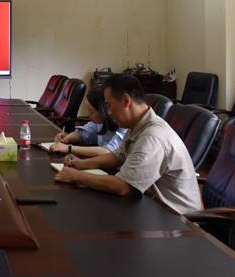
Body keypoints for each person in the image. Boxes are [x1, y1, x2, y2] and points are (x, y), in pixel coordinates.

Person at [54, 75, 202, 215]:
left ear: (126, 100)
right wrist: (81, 164)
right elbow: (117, 157)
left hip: (177, 220)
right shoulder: (137, 125)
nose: (108, 112)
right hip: (152, 205)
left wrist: (76, 176)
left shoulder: (152, 137)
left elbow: (123, 186)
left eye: (109, 105)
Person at [49, 87, 127, 158]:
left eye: (91, 111)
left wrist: (69, 148)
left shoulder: (124, 126)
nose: (88, 114)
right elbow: (84, 133)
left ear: (103, 111)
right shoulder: (99, 122)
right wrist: (67, 138)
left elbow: (108, 152)